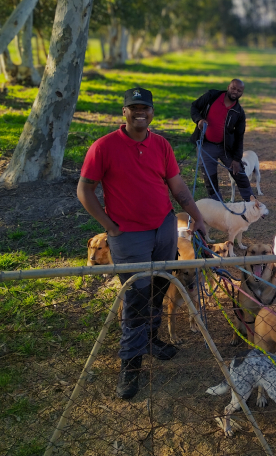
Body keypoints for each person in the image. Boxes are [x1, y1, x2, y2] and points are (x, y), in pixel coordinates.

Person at [77, 87, 208, 400]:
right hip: (128, 236)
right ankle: (130, 363)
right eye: (133, 107)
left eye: (145, 108)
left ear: (151, 112)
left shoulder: (160, 144)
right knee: (136, 297)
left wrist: (197, 217)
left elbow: (177, 186)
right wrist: (109, 226)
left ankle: (150, 339)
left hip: (163, 229)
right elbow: (85, 190)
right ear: (124, 111)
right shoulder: (103, 146)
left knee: (158, 288)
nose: (140, 112)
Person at [190, 78, 252, 202]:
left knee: (239, 173)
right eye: (233, 88)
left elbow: (239, 137)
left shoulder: (239, 113)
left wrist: (236, 159)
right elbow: (194, 107)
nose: (235, 92)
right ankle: (218, 205)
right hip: (206, 145)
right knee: (210, 179)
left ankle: (252, 202)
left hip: (226, 148)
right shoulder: (212, 96)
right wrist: (199, 120)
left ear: (242, 93)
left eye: (239, 90)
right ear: (228, 87)